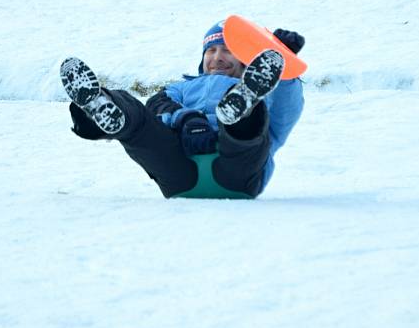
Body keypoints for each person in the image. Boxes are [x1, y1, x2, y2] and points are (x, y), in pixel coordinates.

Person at [60, 20, 305, 199]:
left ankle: (238, 111)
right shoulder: (181, 89)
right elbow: (157, 105)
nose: (217, 57)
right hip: (178, 168)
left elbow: (286, 108)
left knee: (252, 116)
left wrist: (283, 62)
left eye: (227, 51)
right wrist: (186, 118)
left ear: (246, 62)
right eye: (211, 50)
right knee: (138, 119)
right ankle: (96, 109)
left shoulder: (263, 92)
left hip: (238, 174)